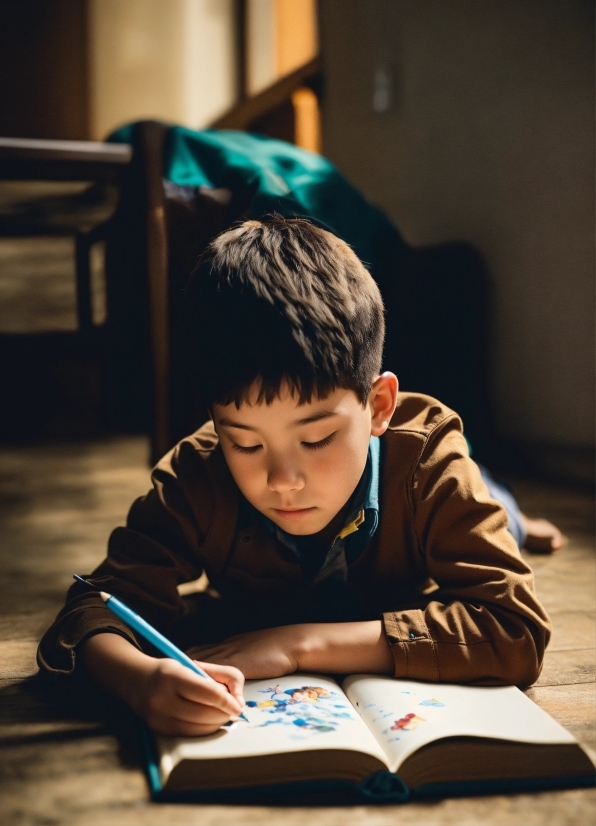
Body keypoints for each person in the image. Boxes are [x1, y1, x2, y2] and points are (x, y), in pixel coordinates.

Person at [38, 217, 554, 737]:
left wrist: (298, 643)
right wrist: (140, 681)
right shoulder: (196, 476)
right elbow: (91, 610)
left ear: (378, 406)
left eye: (316, 440)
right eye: (245, 443)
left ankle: (512, 508)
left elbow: (516, 631)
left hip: (453, 499)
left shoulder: (427, 464)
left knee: (499, 515)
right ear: (217, 421)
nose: (283, 480)